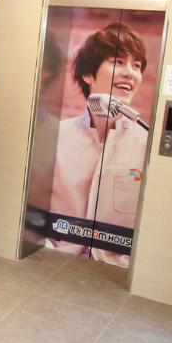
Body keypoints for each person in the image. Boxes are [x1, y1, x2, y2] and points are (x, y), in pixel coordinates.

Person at [48, 22, 148, 268]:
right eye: (118, 62)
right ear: (88, 74)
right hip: (56, 261)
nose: (129, 73)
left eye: (136, 65)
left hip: (115, 269)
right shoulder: (56, 136)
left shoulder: (147, 144)